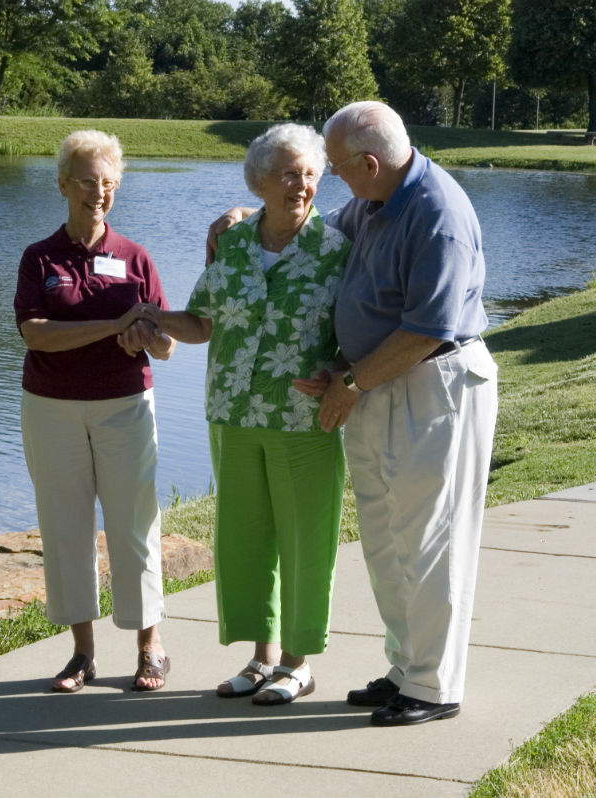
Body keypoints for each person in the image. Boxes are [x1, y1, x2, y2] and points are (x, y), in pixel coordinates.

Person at [211, 101, 498, 726]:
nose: (328, 179)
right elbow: (304, 224)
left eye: (335, 167)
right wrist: (246, 216)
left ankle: (433, 685)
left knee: (430, 537)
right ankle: (406, 667)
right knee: (388, 534)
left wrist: (348, 382)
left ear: (370, 162)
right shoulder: (375, 199)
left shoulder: (436, 213)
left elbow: (427, 330)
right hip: (377, 384)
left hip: (431, 384)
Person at [142, 123, 350, 705]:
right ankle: (260, 659)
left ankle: (298, 663)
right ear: (259, 181)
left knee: (305, 539)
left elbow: (362, 327)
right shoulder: (231, 243)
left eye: (310, 173)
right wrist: (152, 317)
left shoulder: (336, 249)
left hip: (304, 419)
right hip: (232, 413)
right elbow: (202, 322)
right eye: (288, 173)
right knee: (243, 538)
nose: (301, 185)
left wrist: (339, 371)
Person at [14, 130, 176, 693]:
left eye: (108, 183)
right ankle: (82, 655)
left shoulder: (135, 258)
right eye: (87, 181)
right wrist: (114, 326)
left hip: (125, 406)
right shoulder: (40, 258)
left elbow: (167, 342)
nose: (98, 192)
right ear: (62, 184)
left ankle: (150, 647)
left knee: (134, 526)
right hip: (51, 410)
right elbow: (36, 336)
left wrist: (146, 337)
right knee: (66, 528)